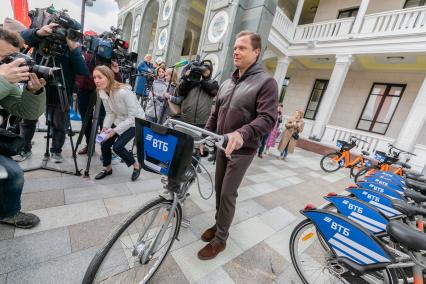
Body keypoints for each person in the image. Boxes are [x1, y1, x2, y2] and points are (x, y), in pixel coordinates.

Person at [198, 31, 278, 260]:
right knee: (219, 191)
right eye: (235, 47)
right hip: (222, 145)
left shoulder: (266, 82)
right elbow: (215, 113)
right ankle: (218, 225)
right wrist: (206, 135)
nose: (236, 51)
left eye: (242, 47)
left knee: (227, 194)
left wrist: (243, 133)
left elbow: (268, 118)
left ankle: (220, 239)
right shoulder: (226, 82)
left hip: (242, 149)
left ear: (256, 52)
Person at [18, 22, 89, 163]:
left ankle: (56, 150)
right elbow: (22, 37)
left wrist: (73, 48)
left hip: (61, 89)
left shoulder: (71, 48)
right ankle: (24, 148)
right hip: (37, 85)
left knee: (59, 124)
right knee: (28, 120)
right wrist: (39, 33)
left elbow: (83, 71)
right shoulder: (42, 36)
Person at [0, 27, 45, 228]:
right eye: (4, 58)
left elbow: (27, 112)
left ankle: (9, 212)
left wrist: (34, 92)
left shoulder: (7, 80)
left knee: (14, 174)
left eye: (11, 58)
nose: (8, 64)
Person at [93, 65, 145, 181]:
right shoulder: (102, 91)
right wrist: (106, 127)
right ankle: (108, 168)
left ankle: (136, 165)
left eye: (99, 77)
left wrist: (114, 131)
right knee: (105, 143)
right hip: (120, 119)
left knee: (118, 147)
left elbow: (132, 117)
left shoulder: (123, 92)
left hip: (135, 121)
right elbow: (110, 113)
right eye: (94, 77)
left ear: (108, 77)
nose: (96, 80)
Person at [75, 49, 122, 155]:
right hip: (85, 92)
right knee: (86, 120)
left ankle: (105, 149)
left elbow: (118, 83)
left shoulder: (110, 59)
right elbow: (81, 74)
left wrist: (116, 72)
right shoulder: (87, 57)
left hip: (104, 93)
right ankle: (89, 145)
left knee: (104, 121)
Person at [176, 60, 219, 128]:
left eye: (208, 69)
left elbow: (213, 91)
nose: (206, 70)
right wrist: (187, 78)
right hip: (186, 119)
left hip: (202, 122)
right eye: (204, 68)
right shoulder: (192, 80)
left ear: (211, 71)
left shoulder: (213, 83)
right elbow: (180, 92)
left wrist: (201, 81)